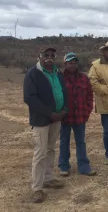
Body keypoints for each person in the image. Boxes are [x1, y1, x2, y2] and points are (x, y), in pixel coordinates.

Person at [23, 47, 68, 203]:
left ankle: (48, 178)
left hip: (56, 118)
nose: (49, 57)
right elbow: (29, 98)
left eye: (52, 55)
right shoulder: (33, 74)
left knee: (50, 149)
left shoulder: (57, 73)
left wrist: (64, 109)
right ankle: (37, 188)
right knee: (40, 152)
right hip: (42, 120)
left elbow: (63, 92)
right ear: (39, 57)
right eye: (45, 55)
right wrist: (50, 113)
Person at [58, 52, 97, 177]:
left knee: (81, 142)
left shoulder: (84, 78)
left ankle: (84, 166)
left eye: (75, 63)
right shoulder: (59, 78)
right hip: (65, 117)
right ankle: (64, 166)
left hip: (80, 116)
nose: (73, 65)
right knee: (64, 142)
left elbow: (90, 95)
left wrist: (87, 110)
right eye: (70, 63)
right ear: (65, 64)